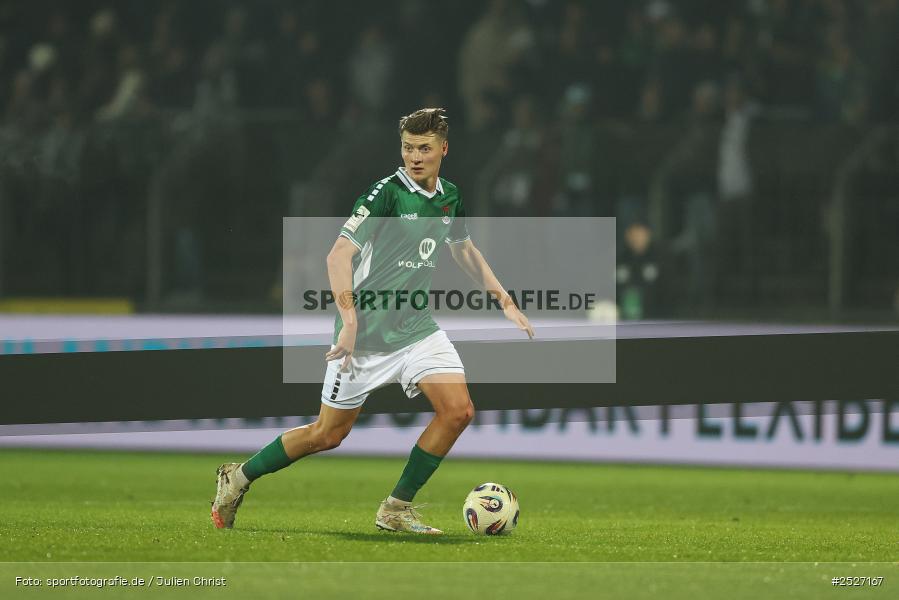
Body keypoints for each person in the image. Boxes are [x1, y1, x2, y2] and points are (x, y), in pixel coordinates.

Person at [211, 108, 534, 534]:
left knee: (458, 411)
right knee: (327, 434)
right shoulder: (385, 193)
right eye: (407, 148)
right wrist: (348, 320)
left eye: (424, 148)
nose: (415, 157)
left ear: (443, 149)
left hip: (417, 329)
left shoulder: (449, 195)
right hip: (364, 336)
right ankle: (239, 477)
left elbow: (463, 249)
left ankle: (396, 509)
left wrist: (504, 300)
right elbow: (338, 255)